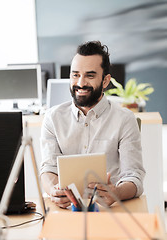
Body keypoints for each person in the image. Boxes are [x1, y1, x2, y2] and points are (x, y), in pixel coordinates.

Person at [40, 41, 145, 209]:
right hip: (66, 211)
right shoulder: (53, 118)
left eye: (89, 75)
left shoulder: (125, 119)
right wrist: (53, 190)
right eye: (75, 75)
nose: (80, 83)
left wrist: (116, 192)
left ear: (105, 81)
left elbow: (134, 177)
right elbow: (48, 169)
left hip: (110, 210)